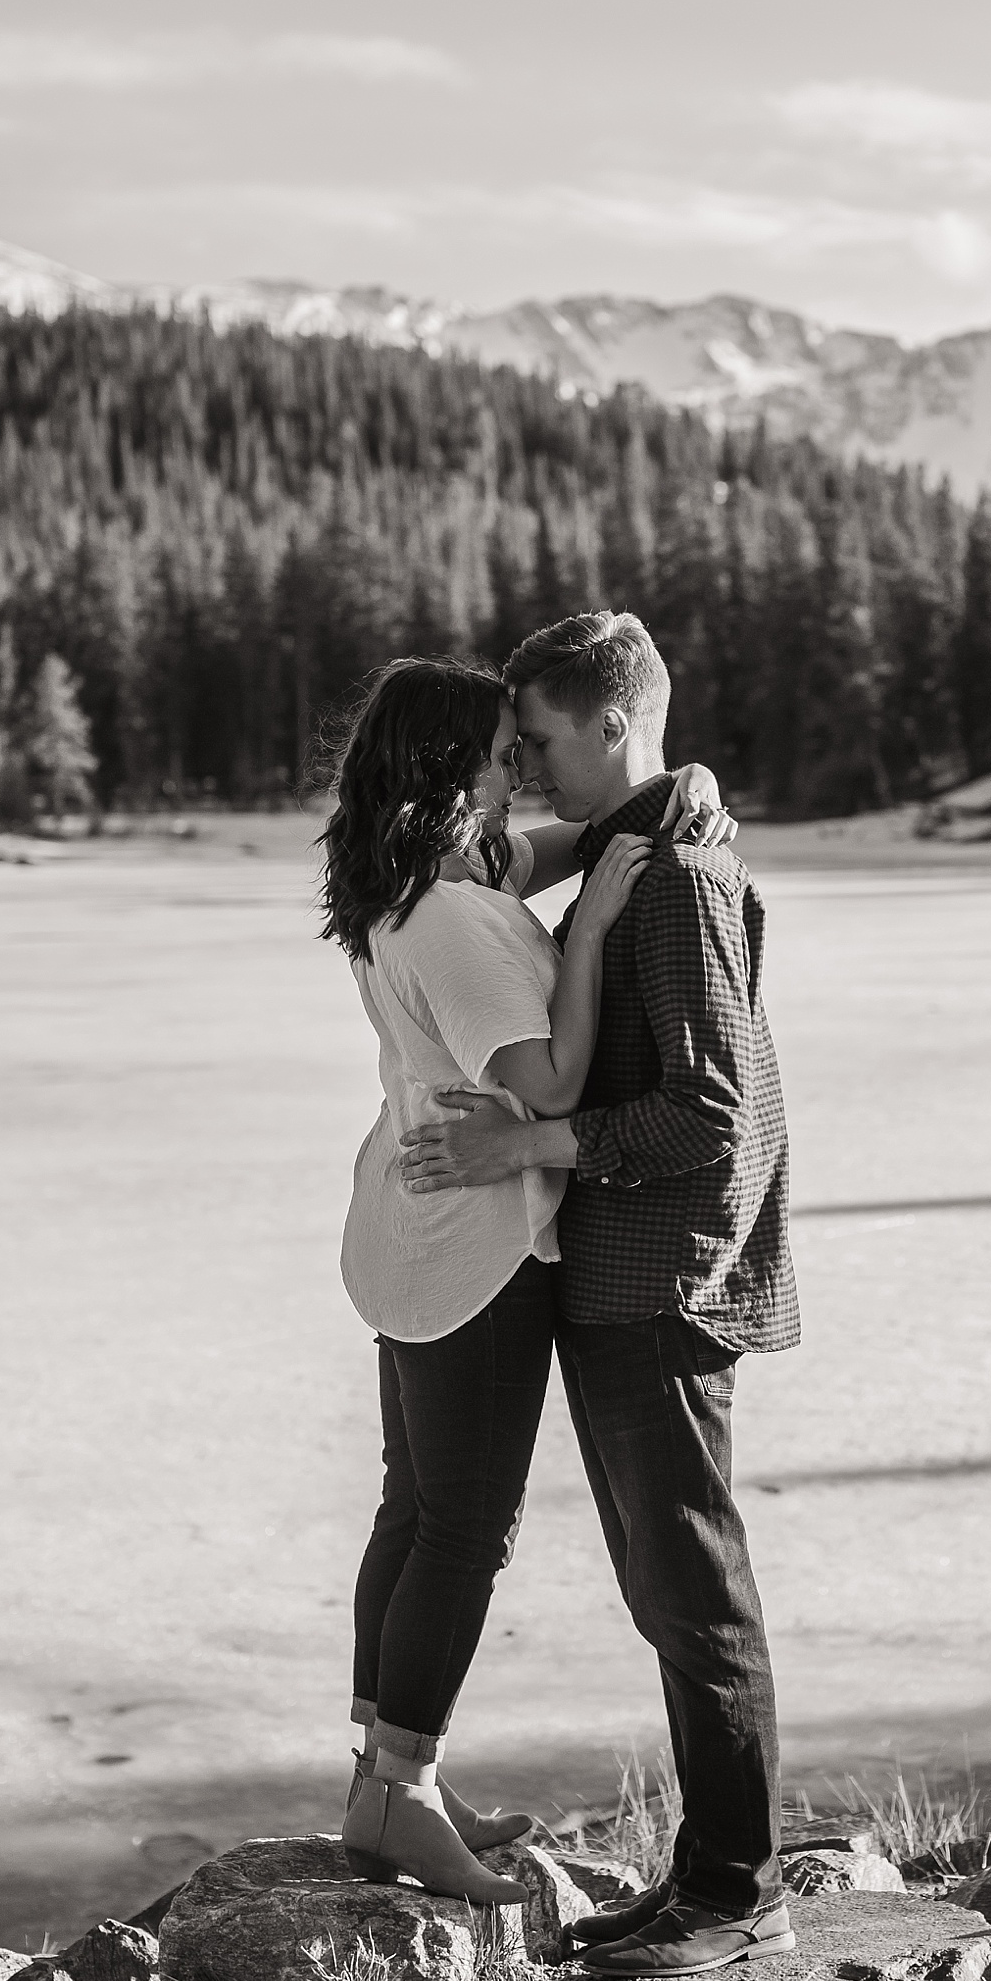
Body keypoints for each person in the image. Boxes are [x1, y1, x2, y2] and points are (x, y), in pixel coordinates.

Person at [399, 610, 800, 1977]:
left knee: (695, 1588)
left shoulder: (675, 877)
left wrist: (529, 1143)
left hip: (662, 1281)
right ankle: (706, 1878)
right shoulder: (639, 848)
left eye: (542, 741)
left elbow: (712, 1111)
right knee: (664, 1587)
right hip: (622, 1279)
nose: (524, 767)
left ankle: (739, 1891)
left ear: (613, 724)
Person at [317, 653, 733, 1903]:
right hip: (482, 1248)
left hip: (411, 1228)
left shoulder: (416, 876)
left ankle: (383, 1782)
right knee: (463, 1525)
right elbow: (547, 1082)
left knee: (412, 1503)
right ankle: (400, 1791)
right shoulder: (452, 917)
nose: (523, 770)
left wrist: (659, 796)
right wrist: (598, 925)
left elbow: (542, 850)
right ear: (457, 768)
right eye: (504, 751)